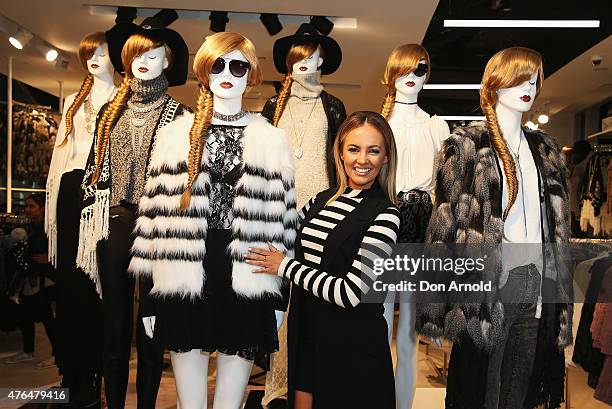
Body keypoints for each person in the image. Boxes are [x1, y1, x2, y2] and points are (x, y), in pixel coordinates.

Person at [128, 32, 297, 409]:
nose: (227, 74)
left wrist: (279, 293)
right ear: (203, 71)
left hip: (247, 272)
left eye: (237, 65)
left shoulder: (272, 140)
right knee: (191, 403)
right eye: (217, 64)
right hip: (187, 271)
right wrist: (151, 302)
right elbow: (152, 223)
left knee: (229, 403)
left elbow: (286, 224)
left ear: (250, 73)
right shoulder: (173, 137)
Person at [418, 47, 573, 409]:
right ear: (495, 85)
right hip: (489, 284)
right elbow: (443, 231)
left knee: (521, 386)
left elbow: (556, 228)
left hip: (536, 280)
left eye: (534, 79)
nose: (529, 87)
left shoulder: (545, 150)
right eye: (519, 78)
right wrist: (435, 308)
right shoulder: (466, 147)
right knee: (481, 389)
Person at [246, 111, 401, 409]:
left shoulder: (386, 214)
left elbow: (351, 293)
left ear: (386, 158)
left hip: (355, 348)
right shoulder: (321, 200)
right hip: (309, 336)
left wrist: (284, 266)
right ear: (340, 152)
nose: (362, 159)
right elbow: (284, 238)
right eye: (354, 149)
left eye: (374, 151)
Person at [76, 9, 190, 409]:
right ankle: (113, 403)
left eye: (153, 54)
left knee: (152, 324)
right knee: (115, 322)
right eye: (137, 55)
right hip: (116, 221)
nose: (143, 62)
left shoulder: (182, 116)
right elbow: (94, 169)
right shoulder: (111, 111)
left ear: (168, 62)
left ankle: (145, 404)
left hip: (159, 228)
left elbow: (187, 182)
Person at [45, 31, 116, 404]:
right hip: (71, 197)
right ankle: (75, 374)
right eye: (90, 52)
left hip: (105, 199)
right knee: (73, 288)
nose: (95, 57)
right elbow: (61, 157)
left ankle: (98, 373)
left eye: (103, 52)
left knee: (102, 287)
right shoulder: (73, 101)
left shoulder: (125, 99)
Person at [5, 194, 57, 368]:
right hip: (33, 278)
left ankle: (57, 354)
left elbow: (60, 249)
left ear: (42, 208)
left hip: (45, 279)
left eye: (31, 206)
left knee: (47, 317)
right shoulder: (32, 228)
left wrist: (49, 258)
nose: (28, 209)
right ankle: (28, 351)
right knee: (26, 315)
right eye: (26, 206)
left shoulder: (49, 227)